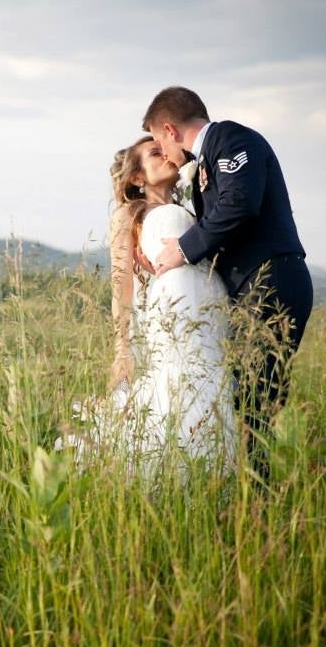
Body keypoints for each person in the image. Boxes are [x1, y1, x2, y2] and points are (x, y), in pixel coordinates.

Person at [141, 86, 313, 480]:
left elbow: (240, 204)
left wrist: (182, 251)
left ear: (169, 129)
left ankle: (261, 502)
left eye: (156, 141)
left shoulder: (232, 138)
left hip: (270, 282)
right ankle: (251, 492)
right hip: (252, 288)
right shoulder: (207, 158)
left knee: (256, 403)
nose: (162, 151)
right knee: (250, 401)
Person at [56, 136, 236, 478]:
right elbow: (120, 285)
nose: (165, 154)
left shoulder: (194, 212)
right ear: (137, 177)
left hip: (203, 325)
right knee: (160, 402)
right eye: (155, 153)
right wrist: (121, 348)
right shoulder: (130, 214)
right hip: (157, 325)